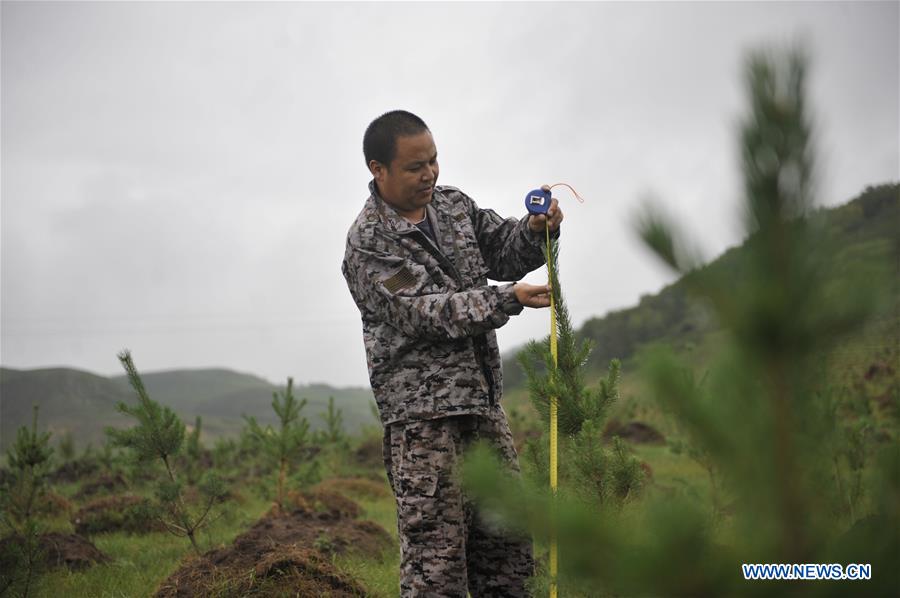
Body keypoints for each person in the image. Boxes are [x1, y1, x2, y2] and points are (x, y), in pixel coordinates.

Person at [342, 110, 563, 597]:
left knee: (506, 551)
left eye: (434, 160)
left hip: (483, 407)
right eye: (415, 167)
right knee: (435, 565)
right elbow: (424, 312)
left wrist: (533, 229)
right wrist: (506, 298)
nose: (430, 174)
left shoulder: (454, 207)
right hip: (423, 423)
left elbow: (503, 249)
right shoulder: (368, 244)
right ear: (378, 170)